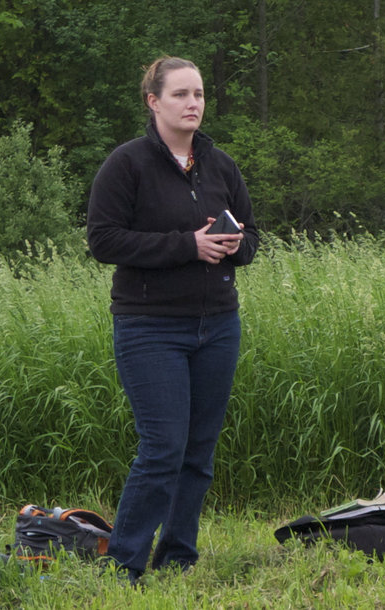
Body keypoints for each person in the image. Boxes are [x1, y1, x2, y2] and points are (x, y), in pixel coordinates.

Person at [86, 56, 259, 582]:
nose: (193, 104)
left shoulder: (220, 165)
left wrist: (230, 244)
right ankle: (124, 567)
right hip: (150, 326)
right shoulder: (128, 163)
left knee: (199, 451)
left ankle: (179, 557)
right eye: (181, 94)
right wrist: (188, 245)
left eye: (200, 95)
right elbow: (104, 240)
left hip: (218, 325)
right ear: (153, 101)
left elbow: (253, 240)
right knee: (162, 447)